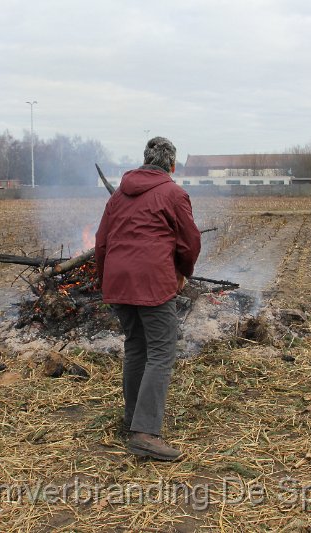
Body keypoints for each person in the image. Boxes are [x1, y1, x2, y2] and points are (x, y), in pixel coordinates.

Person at [95, 136, 201, 461]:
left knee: (136, 347)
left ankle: (132, 421)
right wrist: (182, 272)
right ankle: (145, 433)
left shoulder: (118, 196)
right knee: (160, 353)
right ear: (171, 165)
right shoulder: (174, 193)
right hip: (153, 282)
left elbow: (101, 241)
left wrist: (106, 281)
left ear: (145, 160)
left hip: (119, 281)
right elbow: (190, 242)